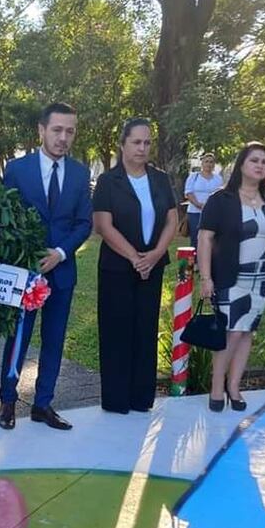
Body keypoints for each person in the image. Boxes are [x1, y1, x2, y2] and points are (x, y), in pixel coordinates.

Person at [0, 102, 92, 431]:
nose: (63, 137)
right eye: (57, 130)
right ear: (41, 130)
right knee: (18, 338)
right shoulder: (17, 169)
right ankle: (7, 402)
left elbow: (84, 223)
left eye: (70, 131)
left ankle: (43, 404)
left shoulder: (81, 173)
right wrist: (28, 253)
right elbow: (4, 220)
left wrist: (61, 253)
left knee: (54, 340)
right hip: (25, 274)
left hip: (62, 274)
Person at [92, 118, 177, 413]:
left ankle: (142, 399)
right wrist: (134, 257)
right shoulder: (107, 181)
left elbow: (172, 220)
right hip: (117, 268)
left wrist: (154, 255)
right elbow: (103, 225)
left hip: (152, 268)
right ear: (123, 144)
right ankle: (116, 400)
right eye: (136, 142)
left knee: (145, 329)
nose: (142, 148)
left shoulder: (160, 179)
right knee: (117, 332)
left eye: (147, 142)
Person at [197, 143, 265, 411]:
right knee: (231, 334)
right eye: (254, 160)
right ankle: (217, 386)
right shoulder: (221, 199)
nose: (260, 165)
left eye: (264, 161)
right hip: (230, 279)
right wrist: (206, 277)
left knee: (247, 331)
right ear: (241, 165)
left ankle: (234, 386)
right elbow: (205, 239)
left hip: (261, 280)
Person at [184, 153, 223, 250]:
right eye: (206, 162)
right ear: (202, 163)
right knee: (195, 238)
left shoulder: (218, 178)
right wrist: (198, 204)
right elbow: (188, 192)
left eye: (211, 162)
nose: (209, 164)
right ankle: (194, 261)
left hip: (213, 213)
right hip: (195, 212)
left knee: (212, 238)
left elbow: (220, 194)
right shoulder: (193, 177)